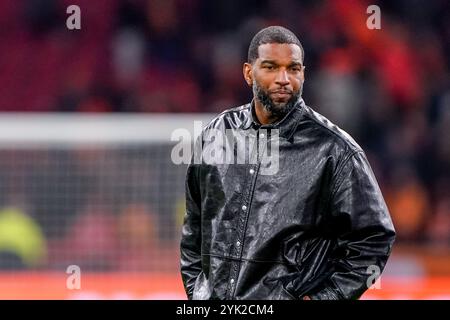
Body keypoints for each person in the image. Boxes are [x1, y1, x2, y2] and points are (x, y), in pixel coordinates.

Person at [180, 26, 395, 300]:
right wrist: (198, 293)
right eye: (270, 67)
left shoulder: (335, 150)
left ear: (302, 73)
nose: (283, 79)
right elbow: (193, 228)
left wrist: (325, 298)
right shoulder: (216, 135)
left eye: (293, 69)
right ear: (249, 73)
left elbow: (375, 238)